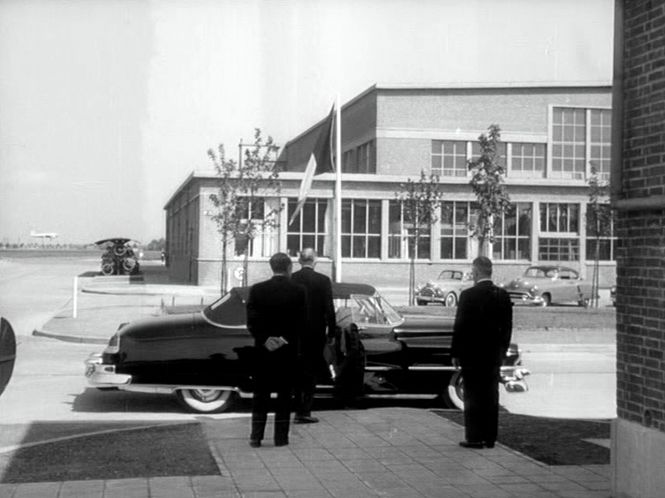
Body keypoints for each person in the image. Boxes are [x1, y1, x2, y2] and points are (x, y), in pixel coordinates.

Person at [451, 256, 512, 449]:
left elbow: (460, 327)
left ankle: (474, 437)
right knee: (491, 395)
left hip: (472, 354)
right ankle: (490, 438)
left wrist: (456, 352)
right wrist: (502, 351)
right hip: (493, 355)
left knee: (473, 396)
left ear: (476, 272)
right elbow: (507, 327)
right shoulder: (502, 295)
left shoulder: (468, 295)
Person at [246, 252, 307, 447]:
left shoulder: (257, 290)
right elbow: (301, 321)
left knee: (260, 395)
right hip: (287, 351)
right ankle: (281, 438)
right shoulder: (299, 290)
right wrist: (284, 339)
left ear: (271, 267)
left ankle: (256, 437)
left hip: (264, 351)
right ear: (289, 268)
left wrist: (265, 339)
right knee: (284, 395)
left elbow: (251, 321)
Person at [291, 248, 336, 423]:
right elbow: (329, 309)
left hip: (294, 334)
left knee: (296, 371)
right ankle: (305, 411)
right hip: (315, 333)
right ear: (315, 260)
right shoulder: (323, 280)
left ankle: (296, 409)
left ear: (299, 260)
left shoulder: (291, 279)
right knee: (311, 372)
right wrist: (331, 332)